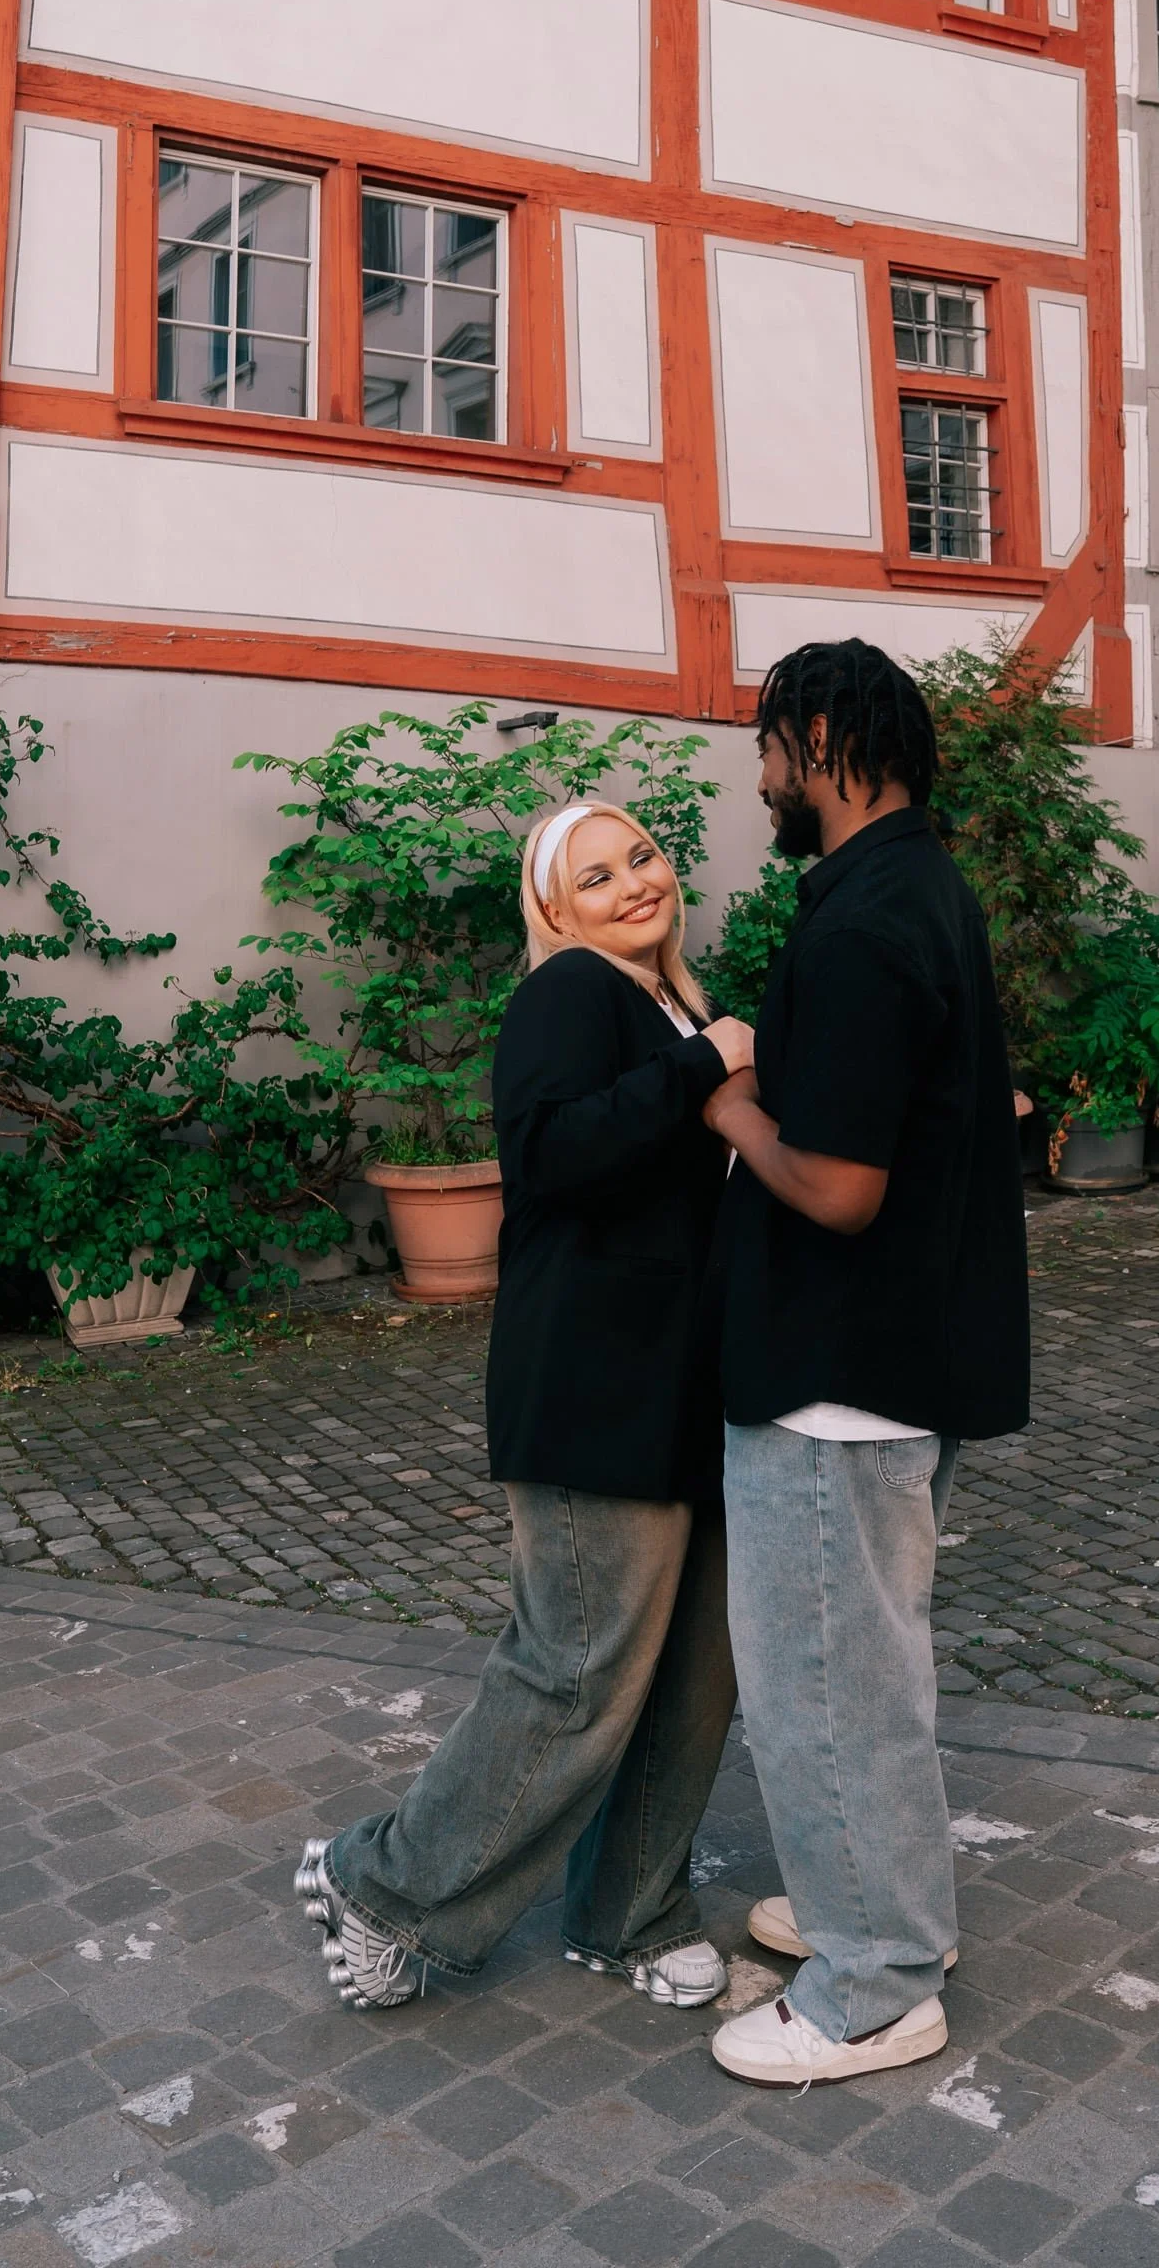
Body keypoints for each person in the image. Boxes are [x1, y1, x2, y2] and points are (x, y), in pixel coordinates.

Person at [297, 798, 754, 2012]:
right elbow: (549, 1153)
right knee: (579, 1670)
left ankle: (630, 1912)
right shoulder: (572, 996)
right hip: (593, 1388)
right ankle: (380, 1882)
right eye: (593, 876)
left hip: (688, 1389)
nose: (630, 885)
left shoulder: (679, 1008)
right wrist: (706, 1067)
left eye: (640, 857)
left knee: (693, 1672)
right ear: (555, 911)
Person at [700, 638, 1029, 2089]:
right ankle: (885, 1912)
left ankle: (873, 1985)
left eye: (770, 745)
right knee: (871, 1673)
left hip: (841, 1380)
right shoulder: (923, 890)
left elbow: (838, 1187)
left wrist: (726, 1106)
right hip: (908, 1354)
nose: (760, 773)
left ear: (823, 738)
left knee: (823, 1683)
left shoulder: (856, 927)